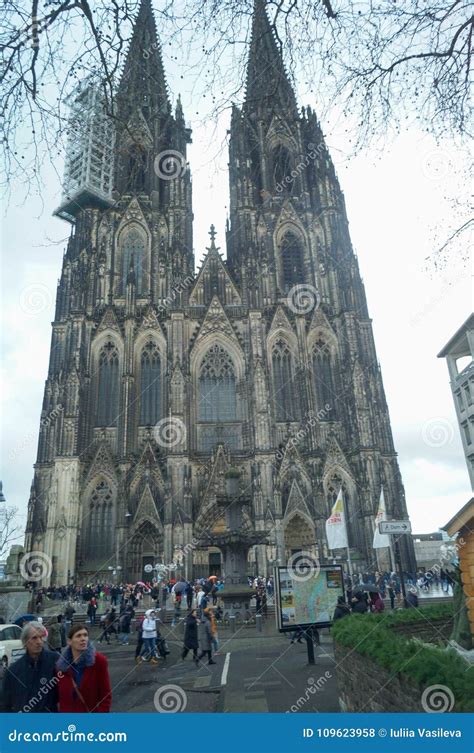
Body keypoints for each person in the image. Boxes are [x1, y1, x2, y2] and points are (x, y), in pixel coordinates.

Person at [1, 621, 58, 712]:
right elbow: (5, 704)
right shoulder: (14, 670)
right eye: (34, 638)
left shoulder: (55, 661)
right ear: (25, 641)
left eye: (41, 637)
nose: (39, 642)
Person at [57, 624, 111, 712]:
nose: (83, 639)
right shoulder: (61, 666)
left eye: (85, 635)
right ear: (69, 641)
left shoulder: (99, 661)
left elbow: (105, 695)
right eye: (78, 636)